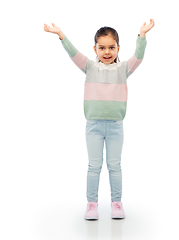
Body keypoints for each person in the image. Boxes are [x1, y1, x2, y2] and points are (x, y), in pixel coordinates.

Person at [44, 19, 155, 220]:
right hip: (93, 126)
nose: (106, 52)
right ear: (94, 48)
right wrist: (61, 35)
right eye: (101, 47)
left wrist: (142, 35)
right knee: (94, 166)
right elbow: (73, 53)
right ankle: (92, 204)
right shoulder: (89, 67)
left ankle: (117, 203)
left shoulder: (123, 69)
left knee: (115, 166)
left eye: (111, 47)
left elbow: (138, 57)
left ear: (118, 48)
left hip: (115, 127)